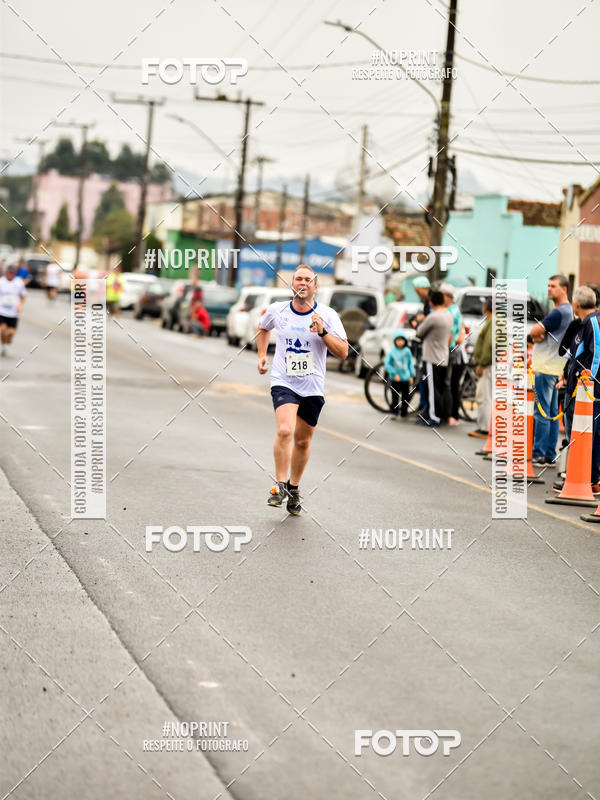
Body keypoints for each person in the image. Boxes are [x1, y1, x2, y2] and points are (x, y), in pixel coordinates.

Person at [257, 265, 348, 515]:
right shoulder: (278, 310)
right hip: (284, 380)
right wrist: (263, 355)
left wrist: (323, 331)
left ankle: (294, 488)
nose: (303, 283)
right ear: (292, 284)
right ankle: (279, 486)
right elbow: (263, 328)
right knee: (285, 430)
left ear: (315, 287)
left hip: (313, 385)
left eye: (308, 280)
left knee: (303, 440)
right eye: (298, 279)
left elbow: (343, 352)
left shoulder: (328, 315)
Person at [529, 274, 573, 466]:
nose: (549, 289)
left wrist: (538, 334)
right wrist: (539, 333)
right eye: (547, 285)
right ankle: (548, 453)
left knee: (542, 412)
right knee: (553, 412)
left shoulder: (559, 312)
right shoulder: (567, 311)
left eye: (553, 286)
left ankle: (539, 453)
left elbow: (533, 332)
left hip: (546, 366)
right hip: (555, 367)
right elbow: (538, 333)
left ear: (564, 289)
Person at [415, 290, 453, 426]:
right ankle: (440, 415)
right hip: (444, 356)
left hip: (432, 357)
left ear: (431, 302)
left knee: (432, 389)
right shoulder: (448, 315)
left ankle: (433, 416)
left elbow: (419, 332)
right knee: (440, 388)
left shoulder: (433, 317)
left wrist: (417, 324)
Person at [440, 282, 466, 426]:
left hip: (451, 351)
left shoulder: (451, 311)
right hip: (454, 351)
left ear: (448, 297)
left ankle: (450, 414)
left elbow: (451, 334)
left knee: (449, 383)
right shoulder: (453, 309)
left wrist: (444, 348)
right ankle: (451, 414)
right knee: (451, 383)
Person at [468, 298, 494, 438]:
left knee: (484, 396)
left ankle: (484, 428)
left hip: (487, 365)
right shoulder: (491, 321)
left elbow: (490, 346)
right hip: (488, 364)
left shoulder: (493, 322)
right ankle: (485, 427)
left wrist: (482, 364)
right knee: (486, 395)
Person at [384, 331, 414, 418]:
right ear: (395, 341)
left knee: (406, 396)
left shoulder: (407, 351)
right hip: (395, 379)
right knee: (395, 396)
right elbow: (387, 364)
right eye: (398, 340)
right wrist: (394, 373)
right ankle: (394, 412)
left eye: (402, 340)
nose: (400, 342)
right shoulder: (392, 352)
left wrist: (411, 375)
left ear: (405, 341)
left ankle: (404, 412)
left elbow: (410, 364)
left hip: (405, 379)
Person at [0, 263, 27, 356]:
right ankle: (3, 347)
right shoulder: (1, 281)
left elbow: (23, 296)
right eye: (9, 272)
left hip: (13, 313)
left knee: (11, 333)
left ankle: (7, 340)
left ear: (15, 273)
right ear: (6, 272)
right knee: (2, 330)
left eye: (12, 273)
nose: (10, 274)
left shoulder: (19, 282)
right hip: (2, 311)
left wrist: (20, 304)